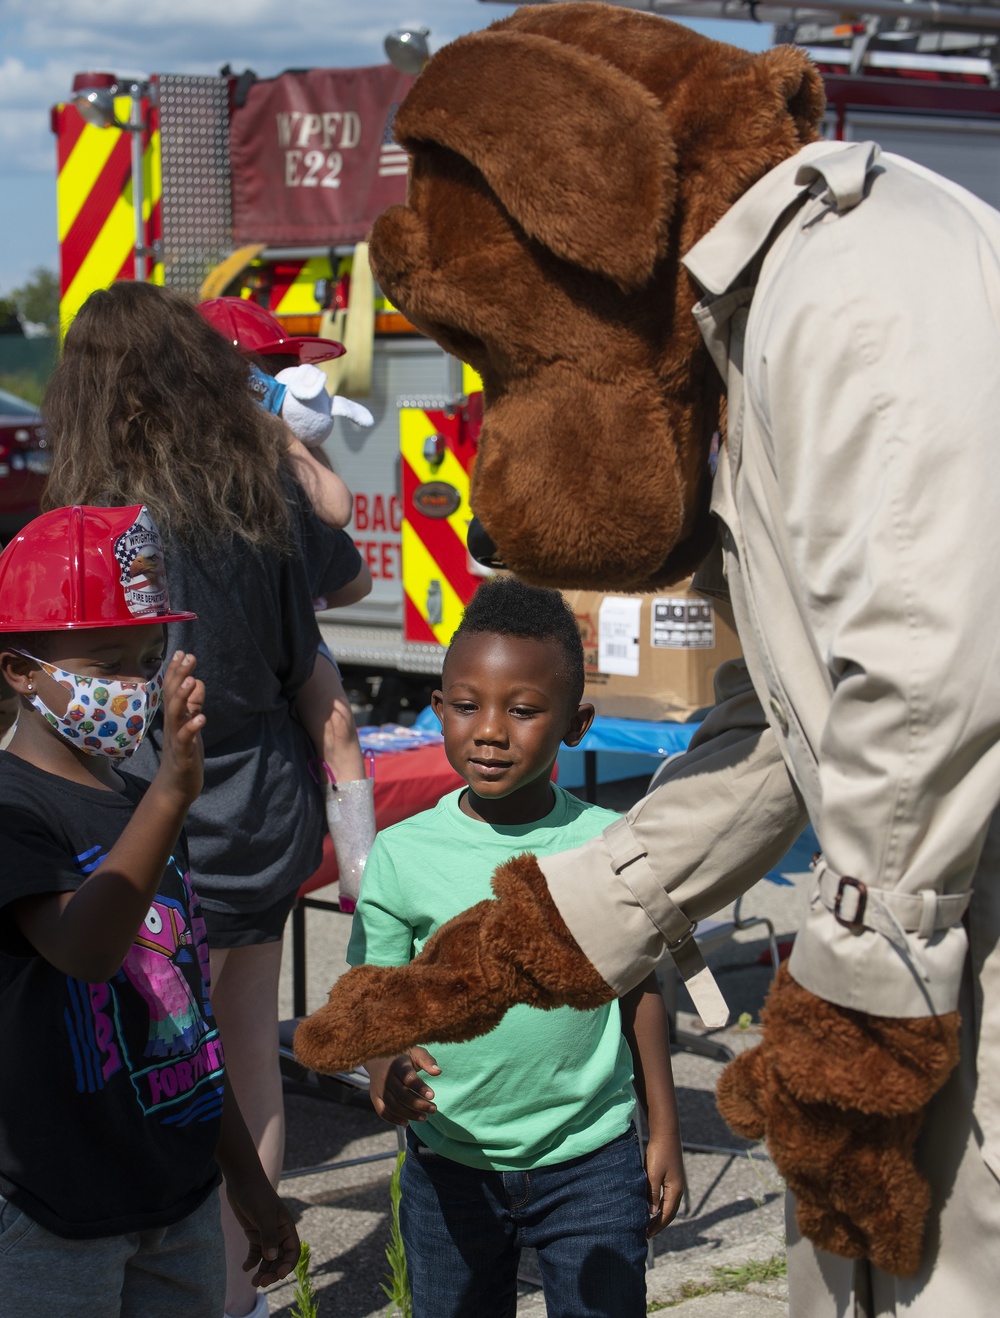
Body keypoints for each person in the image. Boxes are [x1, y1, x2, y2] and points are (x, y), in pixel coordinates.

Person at [41, 280, 367, 1318]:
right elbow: (340, 582)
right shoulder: (254, 488)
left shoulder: (94, 523)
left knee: (150, 1061)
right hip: (262, 810)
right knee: (241, 1056)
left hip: (143, 814)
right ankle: (242, 1291)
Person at [347, 577, 683, 1318]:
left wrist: (663, 1128)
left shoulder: (605, 844)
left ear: (576, 723)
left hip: (591, 1162)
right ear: (438, 711)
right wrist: (382, 1067)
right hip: (448, 1165)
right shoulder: (404, 853)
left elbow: (640, 989)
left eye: (524, 710)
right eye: (466, 706)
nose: (490, 729)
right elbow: (374, 991)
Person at [0, 502, 300, 1318]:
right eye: (106, 665)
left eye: (145, 659)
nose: (134, 689)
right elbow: (85, 949)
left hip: (179, 1201)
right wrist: (171, 793)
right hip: (49, 1218)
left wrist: (246, 1178)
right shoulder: (14, 809)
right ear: (20, 670)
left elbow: (191, 1023)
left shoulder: (141, 800)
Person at [197, 295, 377, 910]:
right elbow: (342, 525)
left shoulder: (270, 459)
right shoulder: (270, 473)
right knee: (335, 725)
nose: (282, 387)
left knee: (339, 726)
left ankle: (360, 875)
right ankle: (361, 874)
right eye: (269, 374)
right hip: (267, 659)